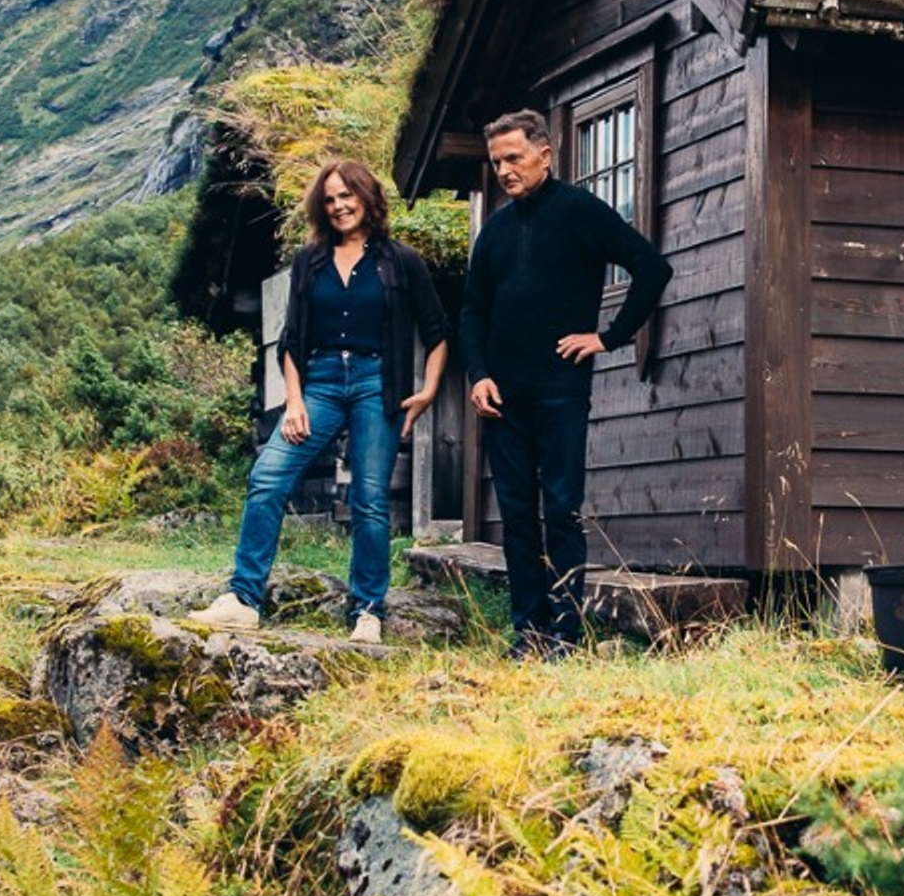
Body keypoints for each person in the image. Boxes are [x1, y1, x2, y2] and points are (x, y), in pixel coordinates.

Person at [189, 158, 450, 645]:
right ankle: (244, 600)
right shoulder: (309, 262)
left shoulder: (400, 261)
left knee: (369, 499)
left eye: (346, 195)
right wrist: (294, 401)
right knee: (268, 476)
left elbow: (437, 333)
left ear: (367, 197)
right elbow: (290, 341)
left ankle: (367, 611)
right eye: (329, 199)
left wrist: (430, 390)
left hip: (378, 383)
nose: (338, 206)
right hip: (322, 382)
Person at [459, 106, 671, 655]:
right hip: (503, 397)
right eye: (496, 162)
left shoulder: (580, 211)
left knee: (560, 509)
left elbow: (651, 266)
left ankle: (567, 633)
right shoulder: (494, 233)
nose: (505, 170)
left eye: (514, 158)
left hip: (560, 390)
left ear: (544, 155)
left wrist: (609, 336)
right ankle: (527, 632)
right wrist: (478, 374)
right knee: (516, 515)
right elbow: (473, 312)